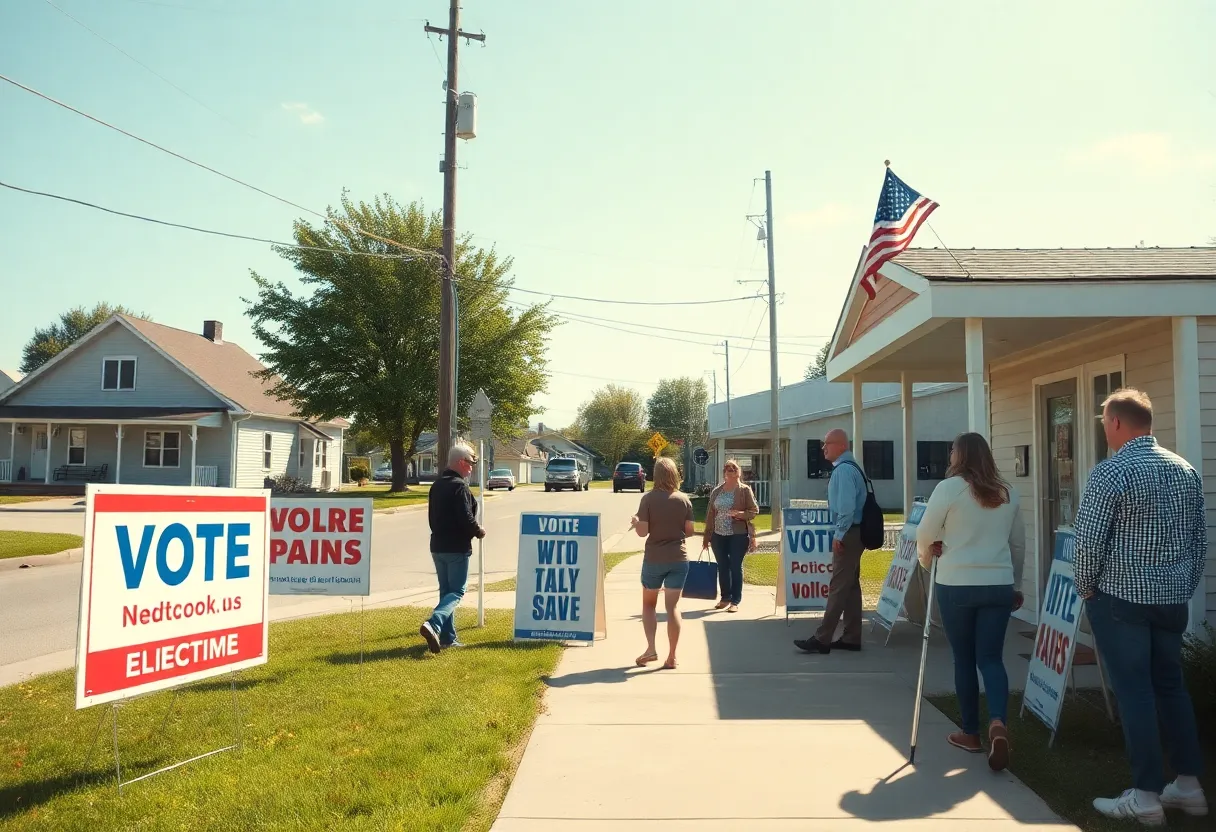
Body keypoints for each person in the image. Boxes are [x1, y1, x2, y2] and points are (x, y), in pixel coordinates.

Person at [1073, 388, 1207, 825]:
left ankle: (1146, 795)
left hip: (1122, 599)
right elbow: (1199, 540)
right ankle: (1188, 785)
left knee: (1135, 692)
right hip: (1172, 598)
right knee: (1171, 686)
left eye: (1104, 423)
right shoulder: (1185, 469)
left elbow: (1088, 541)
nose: (1104, 430)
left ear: (1115, 423)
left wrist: (1086, 588)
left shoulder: (1111, 472)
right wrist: (1183, 585)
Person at [915, 432, 1024, 771]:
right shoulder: (1007, 492)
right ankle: (998, 722)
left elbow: (925, 533)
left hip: (957, 583)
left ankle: (971, 733)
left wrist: (927, 559)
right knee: (991, 658)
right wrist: (1017, 584)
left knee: (963, 658)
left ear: (960, 455)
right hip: (998, 584)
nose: (949, 455)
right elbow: (1017, 544)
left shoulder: (948, 489)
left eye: (952, 451)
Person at [795, 428, 867, 653]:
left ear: (842, 446)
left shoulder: (843, 471)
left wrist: (839, 534)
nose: (823, 447)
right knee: (850, 585)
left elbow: (846, 508)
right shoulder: (852, 467)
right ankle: (852, 637)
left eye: (828, 443)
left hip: (849, 533)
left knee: (838, 586)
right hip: (855, 532)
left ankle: (822, 638)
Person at [419, 442, 485, 654]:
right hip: (456, 547)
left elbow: (432, 517)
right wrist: (478, 531)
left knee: (446, 592)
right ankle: (434, 623)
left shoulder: (437, 485)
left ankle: (448, 638)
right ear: (460, 462)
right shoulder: (459, 486)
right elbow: (466, 518)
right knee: (457, 591)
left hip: (437, 545)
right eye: (470, 463)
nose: (471, 468)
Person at [631, 457, 695, 669]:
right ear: (674, 474)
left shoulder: (648, 500)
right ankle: (672, 657)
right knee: (673, 607)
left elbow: (642, 532)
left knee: (649, 604)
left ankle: (651, 649)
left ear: (656, 475)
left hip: (654, 559)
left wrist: (636, 522)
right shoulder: (684, 500)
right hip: (678, 558)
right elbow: (690, 531)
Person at [701, 459, 759, 613]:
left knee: (735, 566)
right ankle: (725, 598)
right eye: (727, 469)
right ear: (724, 473)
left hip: (737, 535)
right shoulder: (717, 491)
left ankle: (735, 600)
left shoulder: (744, 490)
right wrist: (707, 537)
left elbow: (754, 511)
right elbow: (710, 514)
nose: (730, 471)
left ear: (738, 472)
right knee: (723, 566)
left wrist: (740, 514)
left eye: (733, 469)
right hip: (718, 535)